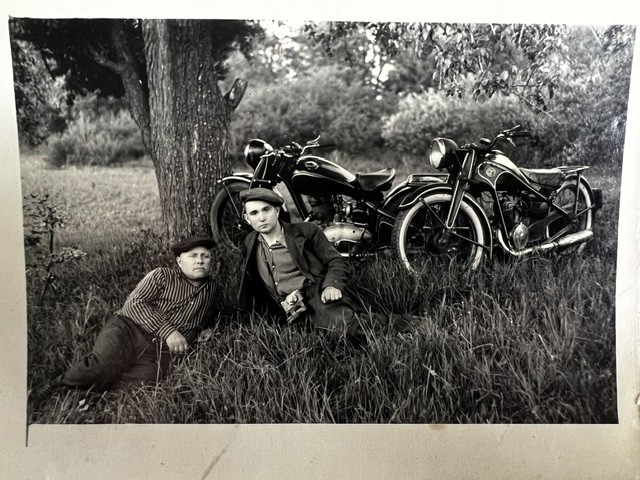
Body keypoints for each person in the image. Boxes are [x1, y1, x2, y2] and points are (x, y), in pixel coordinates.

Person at [31, 236, 218, 400]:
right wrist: (169, 332)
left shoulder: (212, 289)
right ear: (179, 261)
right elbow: (134, 303)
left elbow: (212, 313)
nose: (199, 261)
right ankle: (57, 385)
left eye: (205, 256)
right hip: (128, 329)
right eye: (193, 256)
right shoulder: (162, 276)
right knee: (101, 366)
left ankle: (92, 399)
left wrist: (206, 329)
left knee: (143, 382)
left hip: (157, 352)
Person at [237, 187, 418, 337]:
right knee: (312, 335)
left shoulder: (306, 232)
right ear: (247, 219)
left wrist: (332, 285)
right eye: (254, 213)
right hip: (286, 306)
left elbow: (335, 260)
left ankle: (411, 324)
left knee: (347, 327)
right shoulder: (251, 241)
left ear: (277, 211)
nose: (261, 217)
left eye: (266, 210)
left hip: (314, 294)